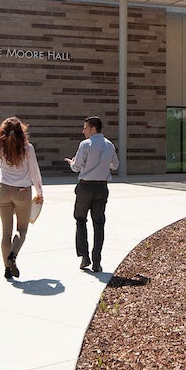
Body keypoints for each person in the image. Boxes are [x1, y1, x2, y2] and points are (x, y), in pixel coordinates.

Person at [65, 116, 119, 272]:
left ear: (93, 129)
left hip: (86, 187)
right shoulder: (110, 145)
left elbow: (76, 167)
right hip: (102, 187)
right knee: (99, 224)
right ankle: (97, 261)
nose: (83, 131)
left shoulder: (86, 144)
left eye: (85, 128)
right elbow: (115, 165)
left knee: (80, 219)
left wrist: (72, 162)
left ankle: (84, 256)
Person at [0, 117, 43, 279]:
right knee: (22, 229)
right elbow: (34, 172)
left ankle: (7, 269)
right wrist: (39, 192)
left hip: (4, 190)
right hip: (22, 191)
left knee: (5, 233)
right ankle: (13, 256)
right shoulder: (27, 148)